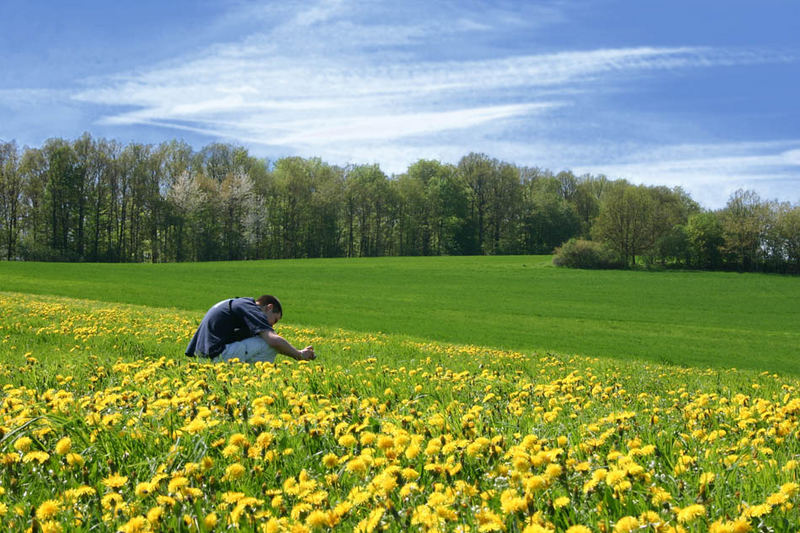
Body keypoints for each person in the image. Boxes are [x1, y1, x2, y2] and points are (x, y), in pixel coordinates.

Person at [185, 295, 316, 364]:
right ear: (268, 307)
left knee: (260, 339)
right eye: (274, 320)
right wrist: (299, 355)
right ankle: (257, 379)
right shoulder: (250, 307)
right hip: (217, 355)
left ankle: (243, 375)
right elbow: (273, 341)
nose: (272, 325)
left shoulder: (237, 304)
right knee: (268, 344)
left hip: (203, 358)